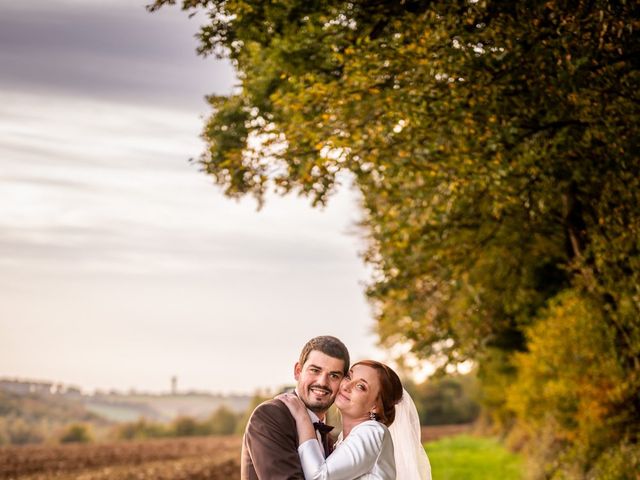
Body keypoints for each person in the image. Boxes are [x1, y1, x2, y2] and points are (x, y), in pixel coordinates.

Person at [278, 360, 432, 480]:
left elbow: (320, 476)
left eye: (360, 386)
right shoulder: (344, 440)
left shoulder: (373, 431)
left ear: (375, 407)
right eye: (349, 377)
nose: (346, 386)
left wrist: (301, 416)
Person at [241, 335, 350, 479]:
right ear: (298, 371)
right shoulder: (270, 415)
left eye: (334, 375)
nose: (322, 382)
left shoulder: (326, 434)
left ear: (343, 382)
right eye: (315, 370)